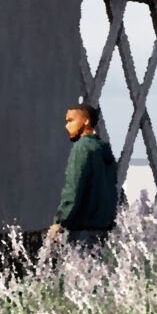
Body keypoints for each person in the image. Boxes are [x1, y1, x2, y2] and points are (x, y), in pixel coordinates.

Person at [49, 103, 118, 247]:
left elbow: (73, 187)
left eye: (71, 121)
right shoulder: (103, 148)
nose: (67, 126)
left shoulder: (81, 147)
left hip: (82, 231)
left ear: (86, 121)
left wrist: (59, 221)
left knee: (78, 267)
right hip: (103, 229)